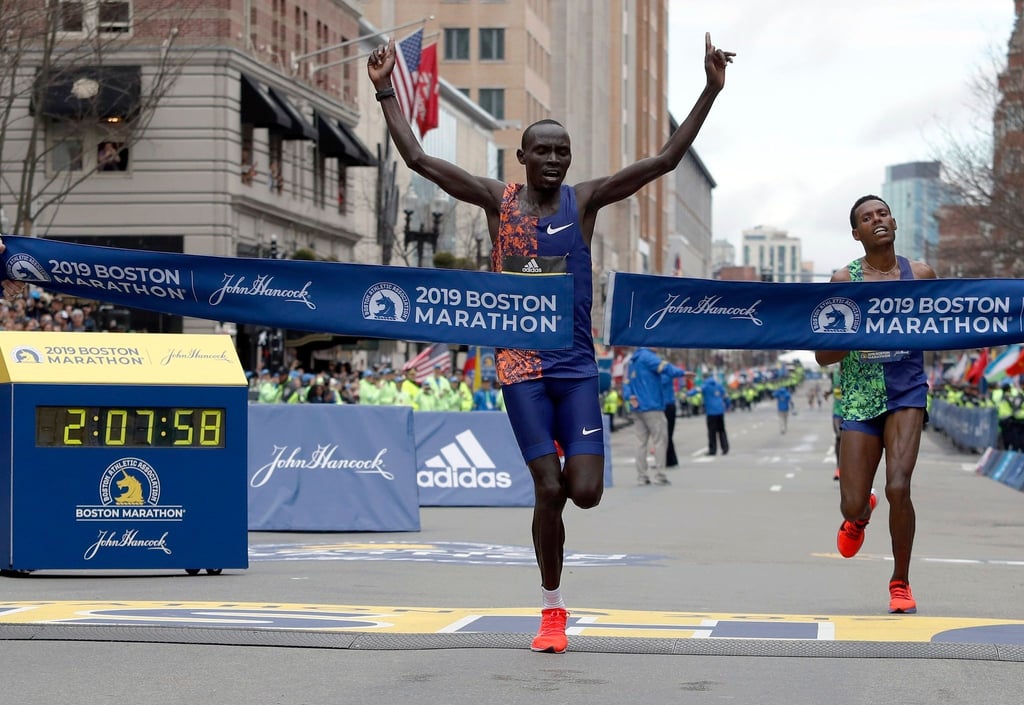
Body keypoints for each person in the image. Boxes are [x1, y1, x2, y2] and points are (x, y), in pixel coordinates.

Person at [368, 31, 733, 654]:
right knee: (548, 489)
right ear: (522, 156)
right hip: (520, 367)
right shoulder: (496, 201)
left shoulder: (583, 201)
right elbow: (421, 162)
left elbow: (666, 161)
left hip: (574, 368)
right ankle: (552, 608)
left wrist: (709, 89)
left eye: (563, 151)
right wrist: (384, 93)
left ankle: (568, 458)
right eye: (543, 151)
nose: (555, 160)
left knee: (584, 493)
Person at [814, 194, 936, 615]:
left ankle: (900, 582)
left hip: (906, 393)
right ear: (856, 234)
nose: (877, 220)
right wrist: (854, 335)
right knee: (851, 501)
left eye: (882, 213)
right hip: (861, 399)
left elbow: (947, 325)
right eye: (867, 218)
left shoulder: (920, 275)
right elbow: (823, 356)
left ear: (894, 223)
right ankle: (858, 514)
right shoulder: (842, 282)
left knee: (898, 486)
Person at [622, 347, 688, 486]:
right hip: (652, 406)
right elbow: (665, 368)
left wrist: (630, 396)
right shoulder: (648, 356)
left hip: (637, 407)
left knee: (640, 443)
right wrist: (682, 373)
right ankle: (660, 475)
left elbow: (626, 384)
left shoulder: (632, 361)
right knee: (660, 441)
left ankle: (642, 476)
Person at [701, 373, 729, 455]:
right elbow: (726, 396)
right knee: (722, 430)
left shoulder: (705, 386)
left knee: (711, 432)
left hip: (711, 412)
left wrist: (687, 394)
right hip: (720, 411)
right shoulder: (719, 385)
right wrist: (727, 406)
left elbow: (696, 390)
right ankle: (725, 448)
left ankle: (713, 450)